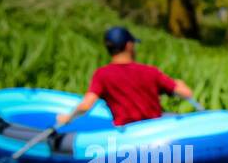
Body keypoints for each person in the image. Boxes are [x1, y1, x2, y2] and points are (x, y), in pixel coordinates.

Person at [55, 26, 195, 129]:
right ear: (129, 45)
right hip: (154, 130)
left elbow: (85, 105)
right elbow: (187, 93)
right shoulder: (150, 72)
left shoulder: (102, 75)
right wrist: (180, 83)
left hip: (127, 135)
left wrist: (68, 118)